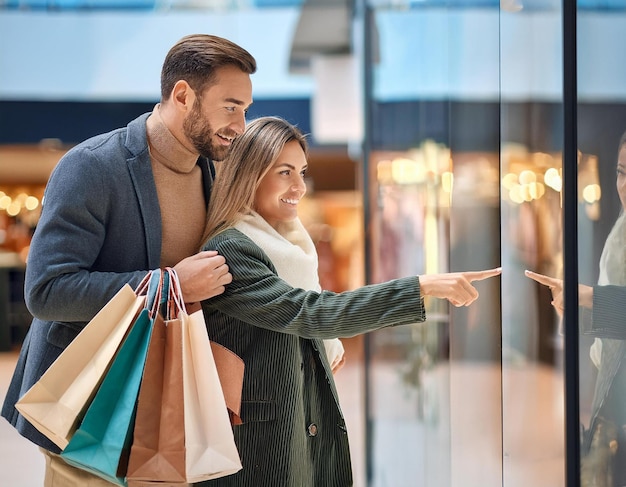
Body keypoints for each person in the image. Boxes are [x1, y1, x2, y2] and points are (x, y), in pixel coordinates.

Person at [1, 33, 256, 486]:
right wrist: (169, 284)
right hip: (91, 410)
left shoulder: (215, 172)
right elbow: (46, 292)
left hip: (172, 407)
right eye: (231, 106)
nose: (241, 123)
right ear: (183, 95)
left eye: (245, 109)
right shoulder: (92, 167)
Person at [197, 116, 502, 487]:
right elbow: (311, 312)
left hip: (296, 426)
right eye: (285, 173)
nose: (300, 186)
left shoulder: (289, 247)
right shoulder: (232, 248)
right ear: (250, 175)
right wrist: (421, 286)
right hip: (260, 449)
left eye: (302, 172)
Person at [526, 130, 626, 486]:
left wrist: (585, 298)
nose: (624, 185)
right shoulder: (620, 232)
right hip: (614, 385)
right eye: (621, 172)